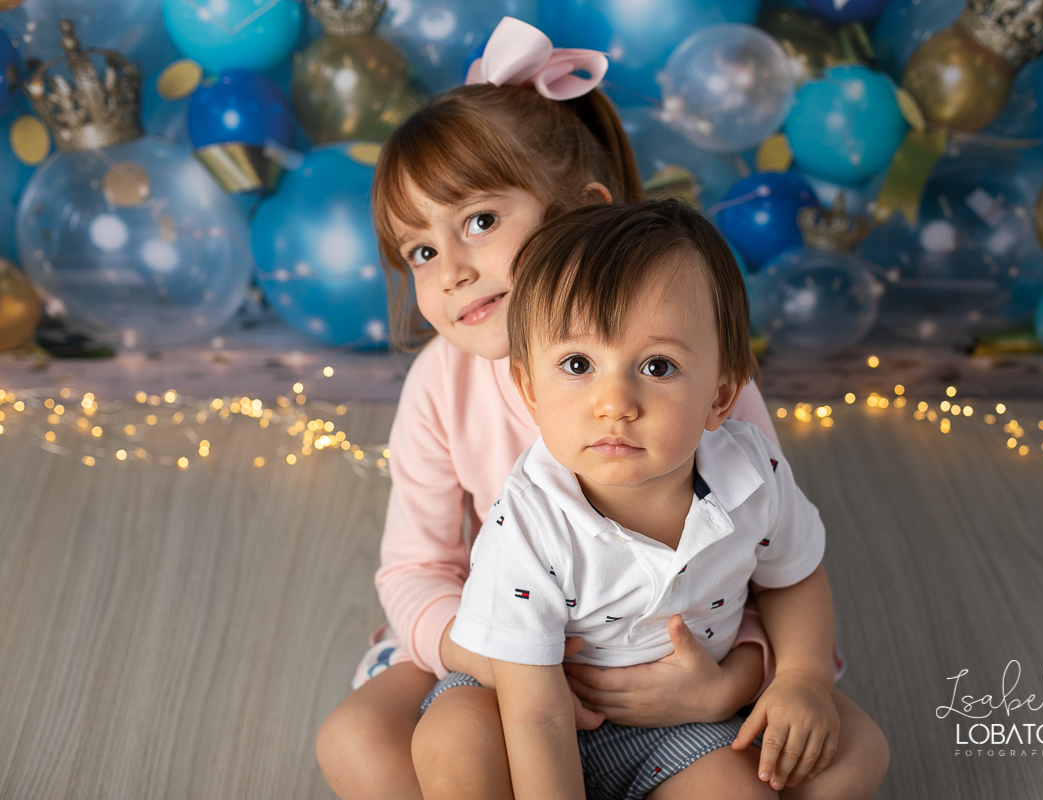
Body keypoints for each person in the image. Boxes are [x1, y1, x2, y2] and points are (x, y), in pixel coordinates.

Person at [315, 17, 885, 800]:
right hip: (507, 652)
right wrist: (506, 661)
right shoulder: (444, 388)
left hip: (682, 657)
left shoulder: (706, 382)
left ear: (580, 211)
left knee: (852, 759)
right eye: (421, 250)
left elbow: (764, 560)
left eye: (479, 221)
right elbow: (418, 567)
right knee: (361, 742)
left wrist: (725, 686)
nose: (449, 271)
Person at [415, 200, 887, 800]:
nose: (615, 402)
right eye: (579, 364)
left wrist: (803, 678)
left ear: (720, 396)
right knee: (455, 741)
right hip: (531, 708)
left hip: (682, 721)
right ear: (531, 394)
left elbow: (791, 578)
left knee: (747, 789)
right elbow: (536, 717)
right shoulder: (528, 522)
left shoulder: (751, 474)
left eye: (657, 366)